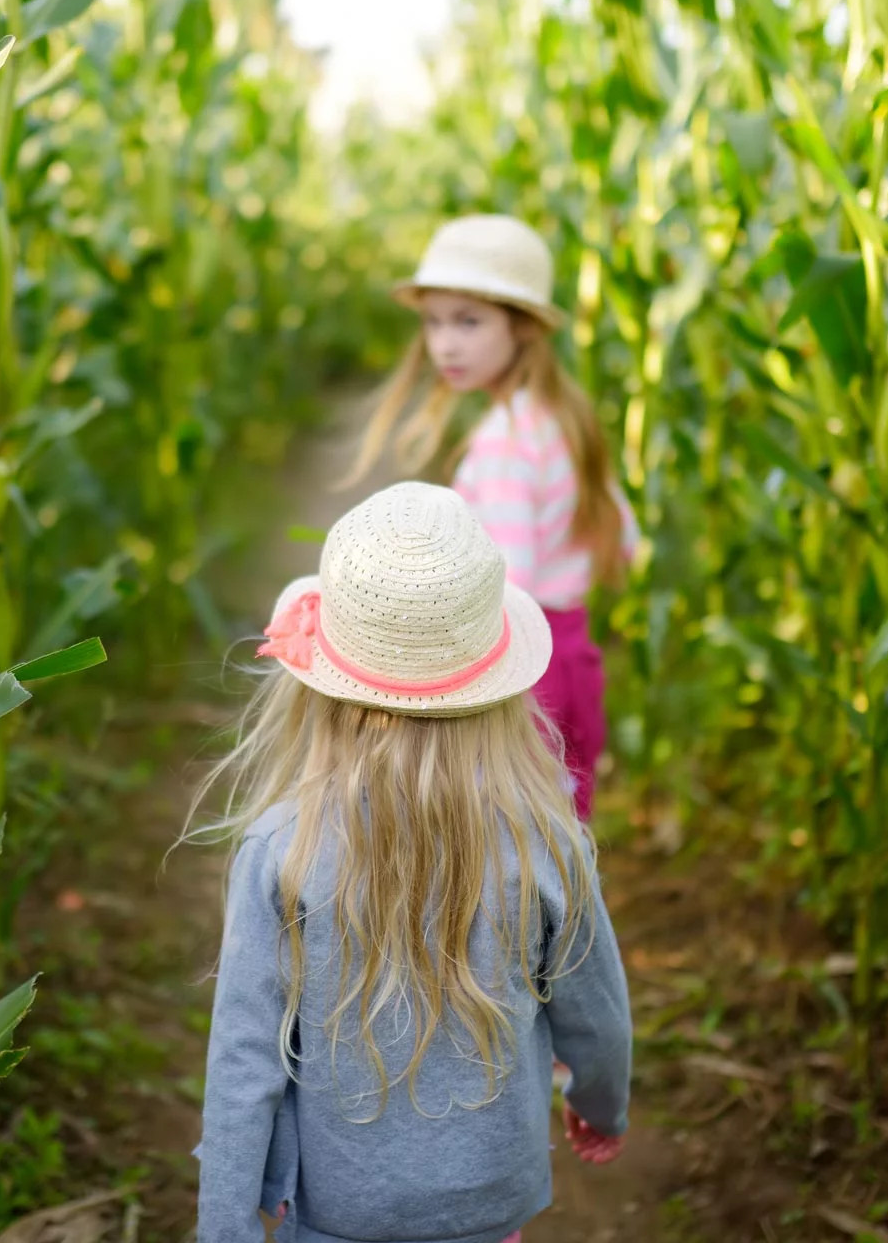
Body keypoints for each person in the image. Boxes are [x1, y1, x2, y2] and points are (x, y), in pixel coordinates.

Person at [190, 482, 633, 1243]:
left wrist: (224, 1229)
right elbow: (596, 1018)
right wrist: (602, 1107)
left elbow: (243, 1066)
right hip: (488, 1203)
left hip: (336, 1209)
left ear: (322, 691)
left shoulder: (283, 846)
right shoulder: (547, 842)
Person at [345, 214, 639, 821]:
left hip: (526, 682)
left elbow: (509, 593)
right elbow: (626, 538)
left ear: (524, 327)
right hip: (573, 660)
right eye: (433, 322)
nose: (445, 344)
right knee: (561, 846)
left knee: (512, 856)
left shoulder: (504, 441)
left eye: (469, 321)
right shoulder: (562, 416)